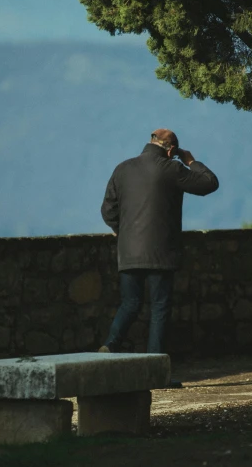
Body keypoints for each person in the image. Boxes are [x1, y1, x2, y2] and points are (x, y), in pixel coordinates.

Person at [98, 128, 219, 358]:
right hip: (161, 253)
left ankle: (111, 344)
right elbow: (209, 183)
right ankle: (156, 368)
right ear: (171, 149)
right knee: (159, 308)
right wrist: (191, 161)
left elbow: (107, 210)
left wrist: (120, 231)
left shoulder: (122, 169)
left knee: (130, 304)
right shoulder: (172, 169)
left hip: (129, 252)